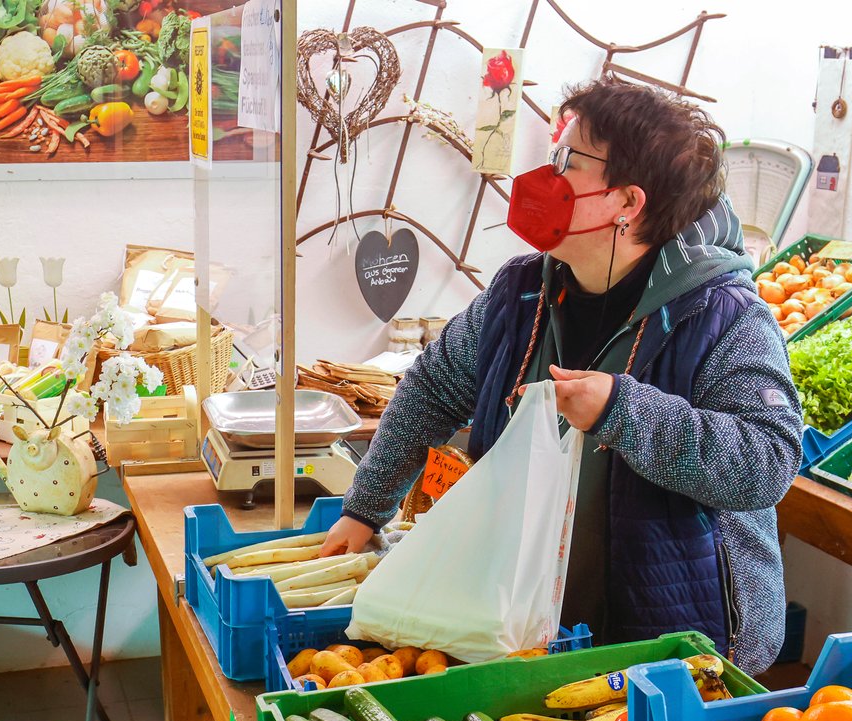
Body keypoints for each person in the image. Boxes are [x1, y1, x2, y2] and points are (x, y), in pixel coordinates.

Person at [323, 81, 802, 673]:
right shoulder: (520, 292)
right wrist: (364, 508)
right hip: (523, 627)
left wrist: (624, 412)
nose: (545, 179)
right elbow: (431, 388)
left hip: (677, 647)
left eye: (568, 164)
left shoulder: (725, 317)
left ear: (627, 202)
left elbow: (767, 462)